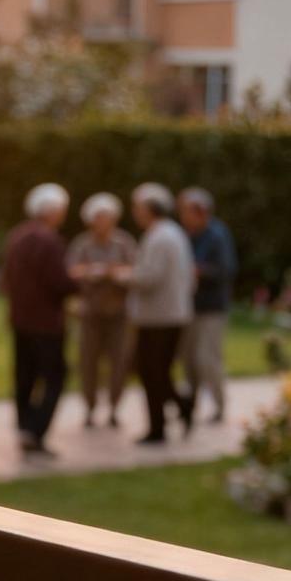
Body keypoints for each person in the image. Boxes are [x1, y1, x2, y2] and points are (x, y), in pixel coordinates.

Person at [0, 182, 78, 457]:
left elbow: (5, 279)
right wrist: (78, 278)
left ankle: (24, 427)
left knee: (25, 375)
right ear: (54, 211)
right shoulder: (49, 240)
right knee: (55, 376)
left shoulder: (17, 237)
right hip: (46, 323)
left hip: (20, 319)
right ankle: (36, 431)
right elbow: (61, 283)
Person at [122, 183, 196, 445]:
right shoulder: (169, 234)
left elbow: (150, 277)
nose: (135, 213)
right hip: (167, 315)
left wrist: (121, 275)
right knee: (155, 373)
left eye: (138, 208)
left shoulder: (161, 236)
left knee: (152, 372)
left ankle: (164, 422)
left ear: (150, 209)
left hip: (160, 317)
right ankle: (168, 417)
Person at [66, 193, 136, 428]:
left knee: (118, 362)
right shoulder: (82, 244)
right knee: (88, 362)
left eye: (108, 218)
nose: (103, 223)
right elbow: (71, 272)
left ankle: (115, 408)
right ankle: (89, 407)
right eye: (99, 218)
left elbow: (136, 271)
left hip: (118, 312)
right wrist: (91, 271)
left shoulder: (124, 243)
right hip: (90, 313)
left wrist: (115, 273)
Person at [178, 187, 237, 423]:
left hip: (212, 307)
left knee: (208, 358)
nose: (183, 216)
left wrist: (198, 270)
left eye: (186, 212)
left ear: (200, 212)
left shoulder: (217, 235)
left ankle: (219, 406)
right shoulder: (187, 235)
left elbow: (226, 270)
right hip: (189, 306)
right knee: (188, 358)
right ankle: (189, 407)